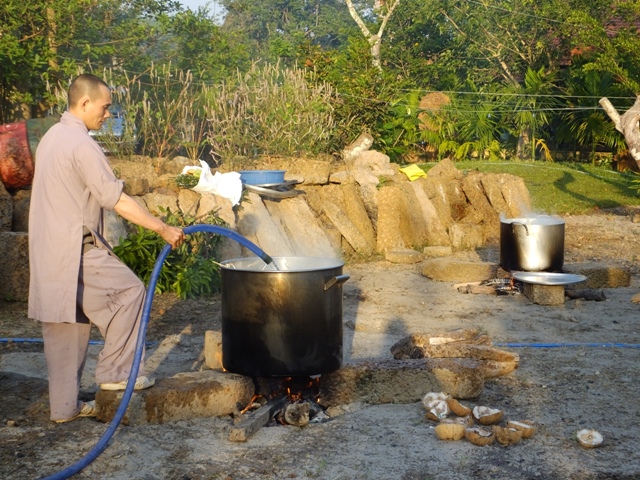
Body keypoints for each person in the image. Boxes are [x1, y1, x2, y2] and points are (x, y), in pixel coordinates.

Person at [28, 73, 185, 424]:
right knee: (130, 293)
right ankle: (116, 373)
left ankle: (64, 408)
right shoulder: (81, 143)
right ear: (85, 103)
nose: (108, 113)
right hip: (74, 250)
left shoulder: (52, 137)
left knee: (67, 326)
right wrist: (162, 228)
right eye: (105, 106)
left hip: (47, 251)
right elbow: (116, 199)